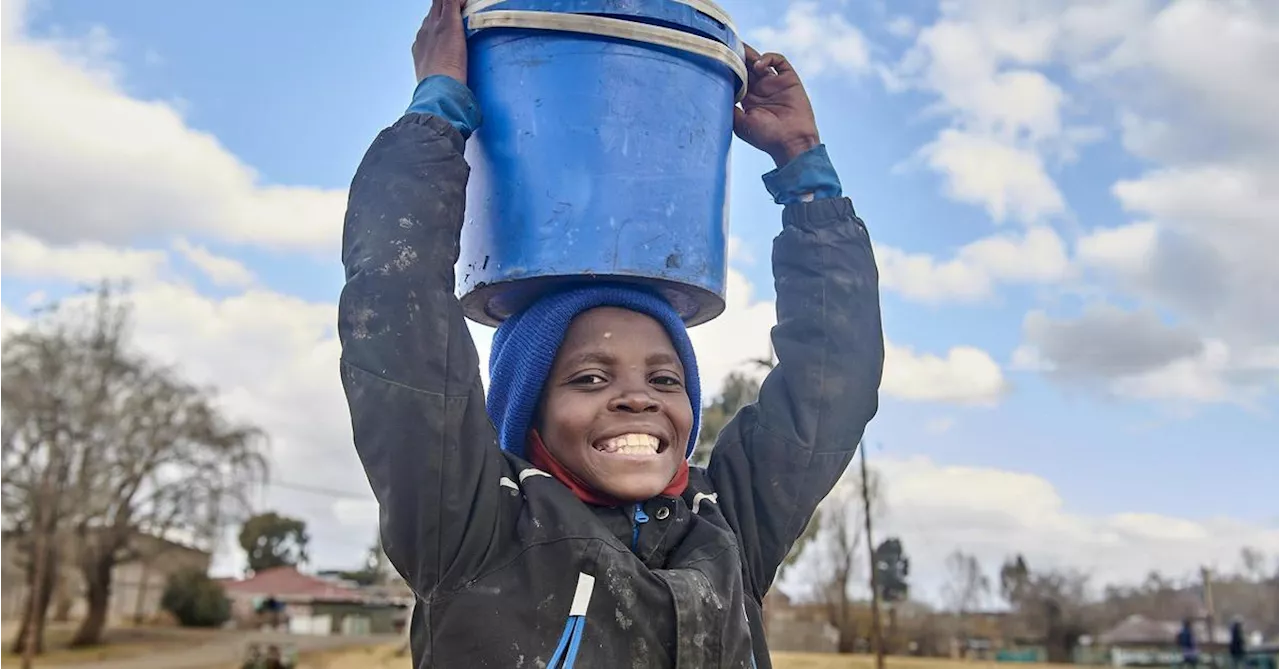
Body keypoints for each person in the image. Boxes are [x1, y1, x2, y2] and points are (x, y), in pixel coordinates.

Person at [337, 0, 883, 666]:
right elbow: (397, 308)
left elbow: (835, 378)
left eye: (665, 377)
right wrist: (437, 111)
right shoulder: (472, 526)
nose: (638, 397)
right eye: (590, 377)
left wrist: (804, 170)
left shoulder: (728, 525)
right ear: (527, 406)